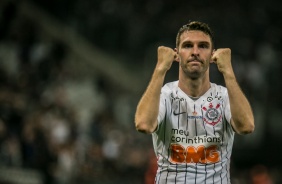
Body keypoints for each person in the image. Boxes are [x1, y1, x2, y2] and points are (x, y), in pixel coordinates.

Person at [134, 21, 255, 183]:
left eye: (203, 46)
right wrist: (160, 68)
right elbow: (144, 125)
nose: (195, 52)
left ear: (213, 55)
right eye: (188, 45)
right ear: (176, 54)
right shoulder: (164, 95)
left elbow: (246, 126)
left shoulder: (225, 96)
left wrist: (228, 72)